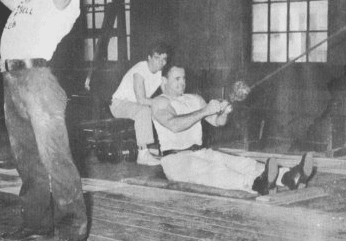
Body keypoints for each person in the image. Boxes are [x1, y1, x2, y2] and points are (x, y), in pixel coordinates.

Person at [0, 0, 88, 241]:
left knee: (55, 160)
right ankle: (35, 225)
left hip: (38, 83)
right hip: (11, 81)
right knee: (28, 162)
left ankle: (71, 233)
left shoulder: (66, 0)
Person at [151, 63, 316, 195]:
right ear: (164, 81)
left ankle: (289, 176)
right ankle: (256, 184)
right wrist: (205, 110)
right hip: (176, 161)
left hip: (200, 152)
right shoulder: (160, 102)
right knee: (215, 171)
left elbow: (217, 122)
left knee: (240, 162)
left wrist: (223, 114)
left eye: (184, 78)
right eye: (177, 79)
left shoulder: (194, 98)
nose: (182, 83)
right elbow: (173, 125)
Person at [110, 41, 171, 165]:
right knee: (144, 110)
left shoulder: (160, 74)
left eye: (164, 59)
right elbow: (141, 100)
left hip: (134, 106)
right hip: (119, 105)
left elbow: (166, 96)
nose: (160, 62)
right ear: (149, 58)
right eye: (156, 58)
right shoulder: (140, 69)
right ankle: (143, 154)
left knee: (163, 110)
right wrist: (160, 102)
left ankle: (167, 149)